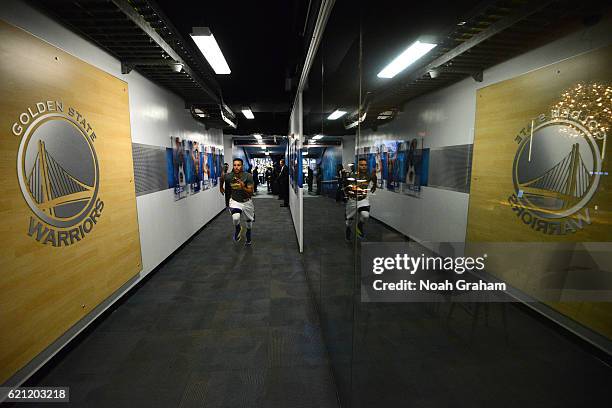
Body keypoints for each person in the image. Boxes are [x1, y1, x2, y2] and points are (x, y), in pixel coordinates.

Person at [220, 158, 255, 245]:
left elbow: (251, 192)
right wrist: (221, 187)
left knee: (249, 223)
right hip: (235, 201)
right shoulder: (230, 176)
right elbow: (223, 177)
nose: (236, 167)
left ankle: (248, 233)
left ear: (242, 166)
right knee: (235, 218)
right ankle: (238, 228)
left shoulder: (248, 176)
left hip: (247, 202)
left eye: (238, 165)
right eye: (235, 165)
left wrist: (243, 187)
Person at [344, 158, 377, 241]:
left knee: (365, 215)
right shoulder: (352, 175)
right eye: (362, 165)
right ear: (358, 166)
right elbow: (346, 186)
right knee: (349, 220)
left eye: (365, 165)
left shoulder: (369, 175)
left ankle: (359, 226)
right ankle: (348, 229)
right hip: (352, 200)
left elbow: (374, 177)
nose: (364, 167)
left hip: (363, 199)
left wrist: (374, 185)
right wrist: (347, 194)